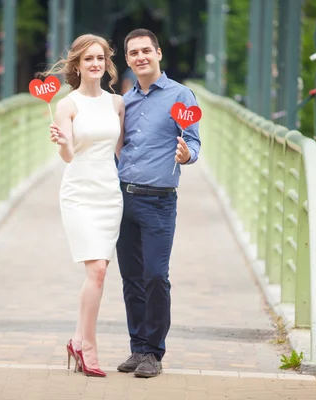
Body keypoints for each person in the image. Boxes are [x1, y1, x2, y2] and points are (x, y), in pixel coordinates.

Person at [115, 28, 201, 378]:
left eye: (146, 51)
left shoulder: (182, 96)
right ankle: (138, 349)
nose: (141, 57)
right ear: (127, 60)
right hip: (123, 199)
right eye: (134, 53)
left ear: (159, 53)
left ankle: (154, 352)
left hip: (159, 203)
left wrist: (186, 155)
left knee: (155, 276)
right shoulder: (125, 101)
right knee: (131, 278)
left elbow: (194, 143)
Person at [46, 34, 125, 378]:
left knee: (100, 272)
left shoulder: (117, 103)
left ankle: (77, 340)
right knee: (97, 270)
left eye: (100, 58)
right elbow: (68, 156)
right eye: (88, 59)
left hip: (110, 194)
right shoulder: (67, 105)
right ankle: (88, 345)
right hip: (79, 194)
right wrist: (64, 142)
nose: (95, 64)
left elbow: (122, 152)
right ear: (77, 65)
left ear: (107, 63)